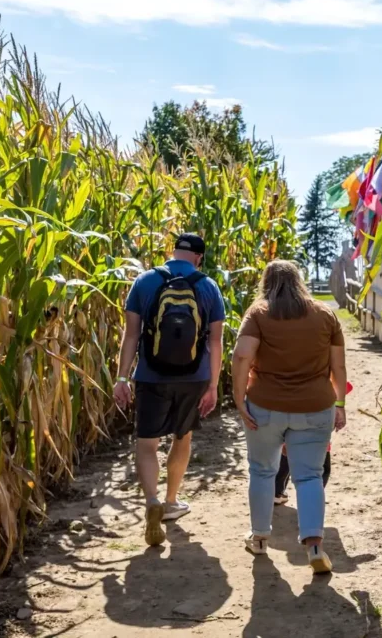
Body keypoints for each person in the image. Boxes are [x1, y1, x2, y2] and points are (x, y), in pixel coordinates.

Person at [232, 260, 347, 573]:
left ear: (266, 282)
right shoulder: (325, 314)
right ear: (300, 281)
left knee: (261, 471)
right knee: (309, 475)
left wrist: (239, 397)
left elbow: (242, 355)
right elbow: (338, 367)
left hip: (265, 406)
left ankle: (258, 538)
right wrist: (340, 404)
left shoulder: (258, 313)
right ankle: (313, 545)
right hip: (315, 407)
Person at [114, 233, 225, 547]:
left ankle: (152, 501)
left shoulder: (145, 281)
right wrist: (214, 385)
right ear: (199, 258)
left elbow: (131, 336)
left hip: (151, 375)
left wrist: (123, 379)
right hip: (194, 377)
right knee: (182, 437)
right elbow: (215, 342)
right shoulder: (207, 286)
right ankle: (171, 501)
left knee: (147, 443)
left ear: (171, 252)